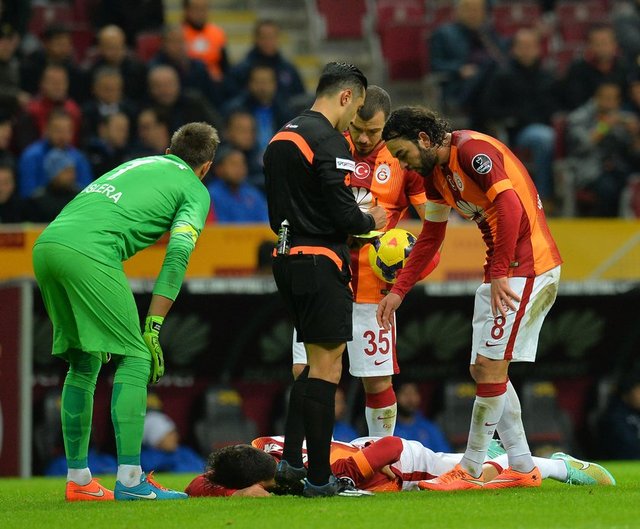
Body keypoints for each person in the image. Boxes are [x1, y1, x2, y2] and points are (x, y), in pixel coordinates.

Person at [376, 106, 562, 491]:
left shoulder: (472, 151)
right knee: (483, 370)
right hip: (503, 270)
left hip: (527, 267)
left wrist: (501, 271)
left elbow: (510, 206)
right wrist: (398, 290)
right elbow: (431, 236)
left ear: (424, 139)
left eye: (403, 153)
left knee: (490, 368)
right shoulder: (434, 176)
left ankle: (471, 468)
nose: (403, 164)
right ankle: (523, 466)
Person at [32, 121, 219, 501]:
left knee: (84, 362)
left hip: (48, 245)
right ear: (206, 168)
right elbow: (178, 254)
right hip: (90, 252)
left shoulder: (140, 164)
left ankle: (79, 480)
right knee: (135, 355)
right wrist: (153, 325)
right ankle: (131, 480)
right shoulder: (194, 189)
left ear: (169, 152)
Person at [263, 61, 387, 497]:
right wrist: (369, 220)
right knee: (327, 368)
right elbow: (341, 211)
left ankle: (291, 465)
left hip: (285, 257)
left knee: (312, 366)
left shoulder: (281, 135)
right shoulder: (329, 140)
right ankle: (319, 478)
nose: (354, 122)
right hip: (319, 261)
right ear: (346, 96)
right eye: (355, 110)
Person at [291, 86, 436, 438]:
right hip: (323, 276)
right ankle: (314, 453)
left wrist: (412, 269)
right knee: (305, 370)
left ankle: (380, 453)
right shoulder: (326, 147)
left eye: (374, 131)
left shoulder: (402, 161)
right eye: (358, 129)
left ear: (387, 124)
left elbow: (433, 225)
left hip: (374, 288)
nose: (365, 138)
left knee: (377, 379)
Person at [184, 435, 616, 497]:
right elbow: (196, 486)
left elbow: (390, 446)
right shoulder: (259, 448)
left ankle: (557, 465)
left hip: (404, 463)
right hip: (362, 451)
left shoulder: (335, 471)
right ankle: (496, 452)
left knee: (479, 478)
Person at [481, 28, 559, 203]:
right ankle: (542, 197)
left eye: (531, 46)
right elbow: (488, 108)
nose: (527, 51)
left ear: (538, 49)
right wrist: (516, 116)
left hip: (546, 125)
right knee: (544, 138)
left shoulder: (547, 76)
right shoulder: (502, 76)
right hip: (517, 130)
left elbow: (558, 104)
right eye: (522, 46)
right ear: (514, 49)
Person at [226, 19, 306, 103]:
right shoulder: (240, 71)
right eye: (264, 37)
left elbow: (301, 98)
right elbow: (232, 100)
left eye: (272, 37)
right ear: (256, 39)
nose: (268, 41)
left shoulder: (289, 70)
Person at [18, 109, 92, 198]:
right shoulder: (32, 156)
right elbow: (27, 194)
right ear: (46, 130)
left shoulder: (79, 158)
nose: (63, 136)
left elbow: (87, 192)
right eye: (58, 130)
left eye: (67, 131)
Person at [141, 392, 206, 473]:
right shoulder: (143, 460)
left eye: (174, 433)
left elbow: (203, 469)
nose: (175, 437)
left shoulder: (185, 452)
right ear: (155, 439)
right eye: (169, 434)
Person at [207, 144, 268, 223]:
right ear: (219, 169)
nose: (239, 168)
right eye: (233, 164)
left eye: (242, 164)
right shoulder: (212, 195)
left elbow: (265, 222)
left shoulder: (252, 193)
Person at [393, 381, 452, 453]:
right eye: (405, 394)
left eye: (414, 393)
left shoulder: (429, 427)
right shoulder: (390, 429)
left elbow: (444, 454)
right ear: (395, 396)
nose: (410, 399)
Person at [182, 0, 229, 82]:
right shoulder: (179, 34)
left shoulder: (217, 33)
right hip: (189, 81)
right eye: (196, 8)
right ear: (187, 10)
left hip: (215, 82)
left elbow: (224, 65)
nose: (200, 13)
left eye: (204, 8)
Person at [598, 371, 640, 459]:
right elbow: (628, 447)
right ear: (627, 391)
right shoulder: (613, 416)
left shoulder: (636, 412)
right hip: (618, 464)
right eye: (639, 391)